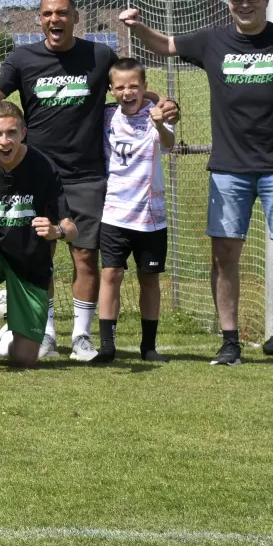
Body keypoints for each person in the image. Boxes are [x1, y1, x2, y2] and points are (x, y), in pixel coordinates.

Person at [120, 0, 273, 369]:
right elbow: (167, 45)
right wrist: (137, 28)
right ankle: (229, 343)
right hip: (229, 170)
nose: (245, 4)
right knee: (224, 256)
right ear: (229, 3)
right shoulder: (213, 40)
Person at [0, 0, 118, 361]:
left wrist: (160, 102)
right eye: (47, 14)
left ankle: (81, 337)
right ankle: (44, 332)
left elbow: (129, 86)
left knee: (84, 255)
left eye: (61, 13)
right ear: (39, 19)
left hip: (85, 174)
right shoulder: (22, 58)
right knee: (39, 256)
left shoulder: (100, 55)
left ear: (75, 17)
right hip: (35, 173)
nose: (54, 19)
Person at [0, 101, 75, 374]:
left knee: (24, 359)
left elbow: (71, 228)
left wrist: (57, 232)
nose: (4, 141)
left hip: (30, 263)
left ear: (24, 132)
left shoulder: (43, 166)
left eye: (11, 132)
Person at [95, 58, 175, 364]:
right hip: (114, 212)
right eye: (120, 87)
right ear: (111, 89)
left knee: (149, 279)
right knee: (111, 274)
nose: (127, 92)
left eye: (134, 86)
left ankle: (148, 346)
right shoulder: (106, 116)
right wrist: (156, 95)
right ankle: (107, 346)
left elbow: (168, 144)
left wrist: (159, 121)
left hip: (150, 216)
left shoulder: (157, 114)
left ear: (144, 86)